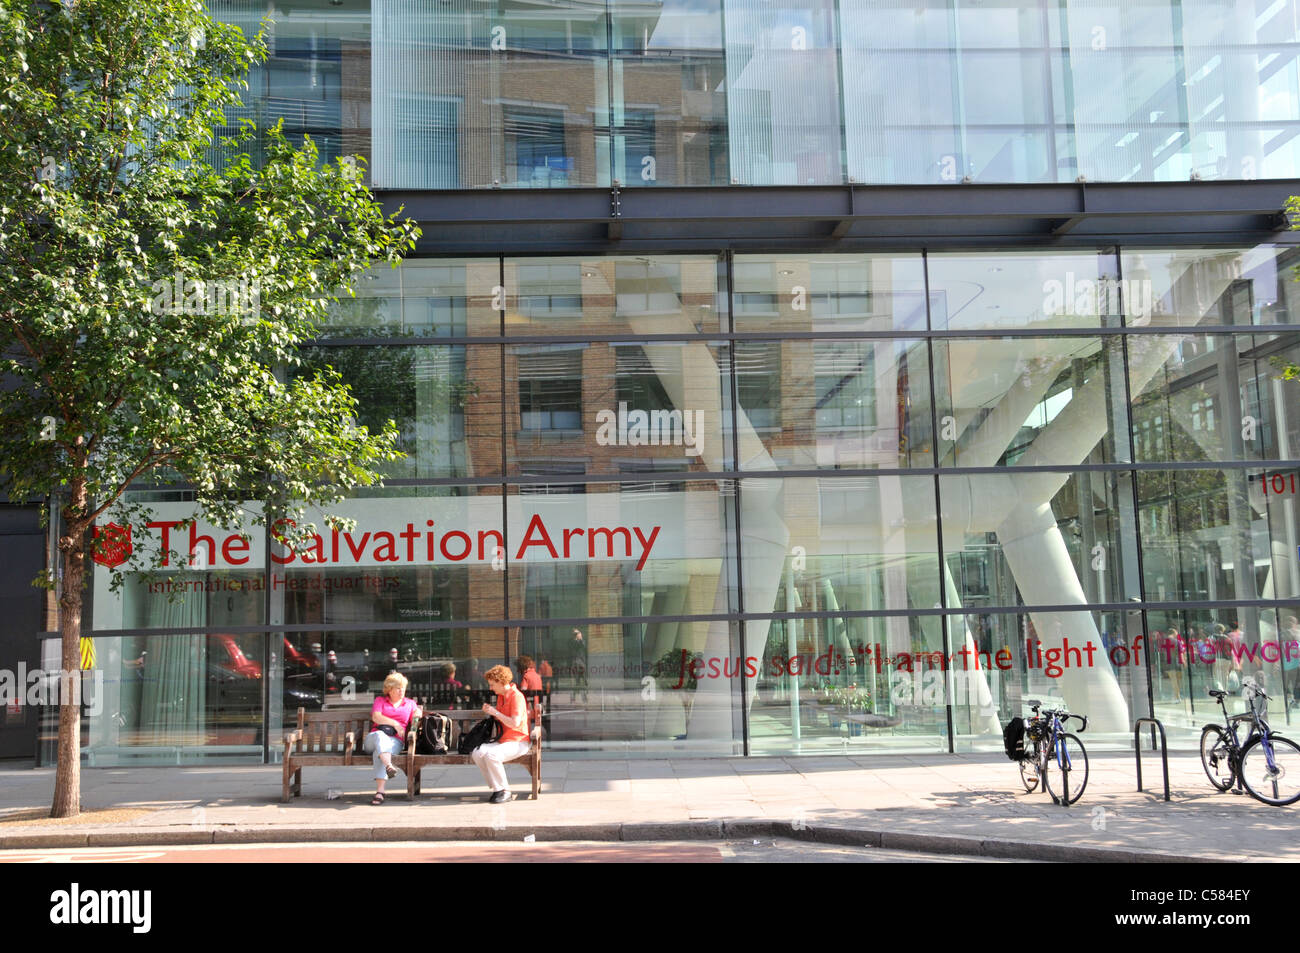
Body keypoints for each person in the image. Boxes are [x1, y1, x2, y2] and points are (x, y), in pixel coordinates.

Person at [471, 665, 531, 803]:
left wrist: (495, 712)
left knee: (492, 755)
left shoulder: (517, 697)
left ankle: (505, 791)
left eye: (492, 684)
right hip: (503, 740)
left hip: (519, 741)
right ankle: (497, 788)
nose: (491, 688)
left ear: (501, 682)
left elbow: (515, 724)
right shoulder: (500, 696)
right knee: (477, 753)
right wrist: (491, 713)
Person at [364, 672, 421, 806]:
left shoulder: (410, 704)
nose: (402, 691)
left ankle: (380, 791)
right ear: (389, 689)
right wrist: (395, 724)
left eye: (403, 688)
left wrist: (417, 714)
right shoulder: (380, 701)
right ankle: (389, 765)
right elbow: (376, 717)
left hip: (395, 741)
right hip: (373, 739)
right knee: (380, 736)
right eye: (398, 688)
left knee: (379, 752)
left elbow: (416, 716)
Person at [518, 655, 543, 723]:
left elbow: (523, 689)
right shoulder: (537, 675)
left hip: (530, 704)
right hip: (538, 703)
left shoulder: (526, 676)